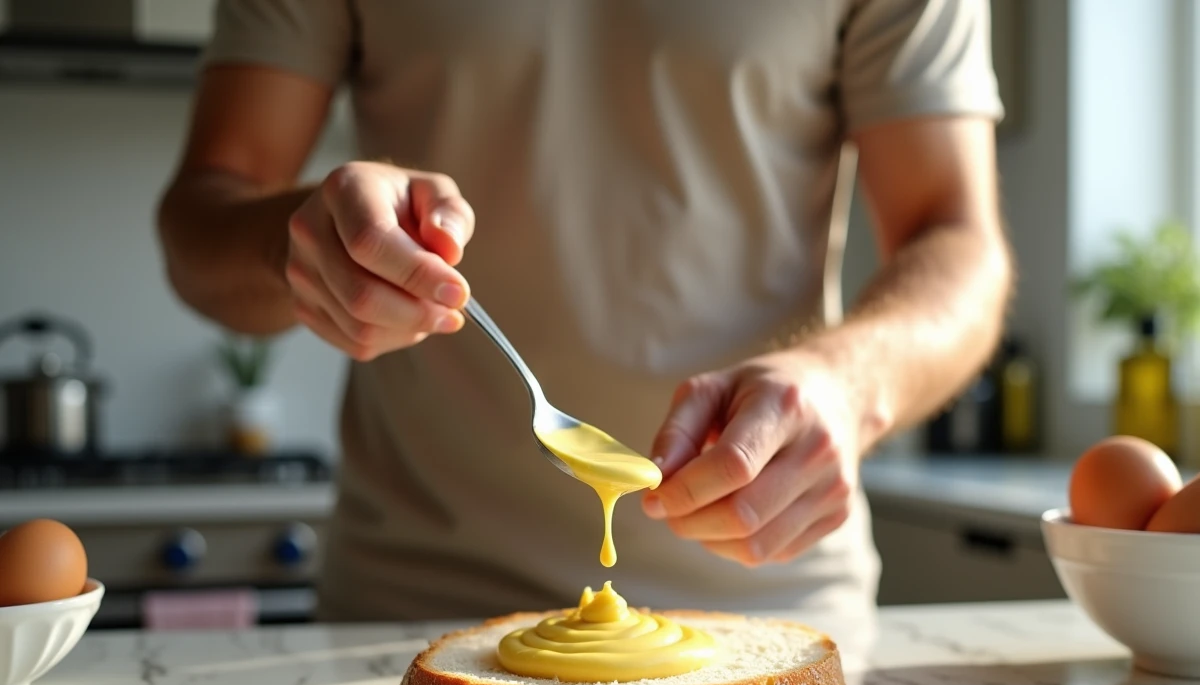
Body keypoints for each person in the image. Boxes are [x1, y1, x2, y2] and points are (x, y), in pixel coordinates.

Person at [158, 0, 1012, 622]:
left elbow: (958, 241)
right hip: (411, 615)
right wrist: (294, 241)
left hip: (769, 610)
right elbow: (201, 221)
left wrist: (847, 381)